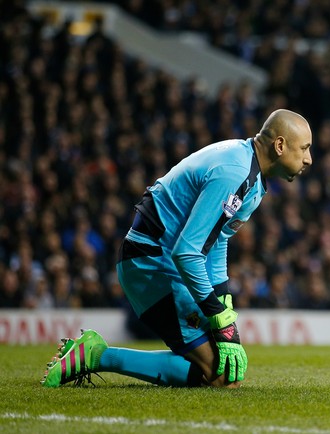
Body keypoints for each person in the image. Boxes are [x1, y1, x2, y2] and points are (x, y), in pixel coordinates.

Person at [42, 109, 313, 388]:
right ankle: (97, 356)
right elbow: (186, 252)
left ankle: (97, 353)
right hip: (151, 262)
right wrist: (216, 314)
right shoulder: (236, 172)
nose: (308, 159)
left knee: (227, 369)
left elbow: (217, 240)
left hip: (164, 261)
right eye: (305, 148)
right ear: (280, 145)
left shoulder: (250, 174)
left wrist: (223, 300)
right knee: (221, 377)